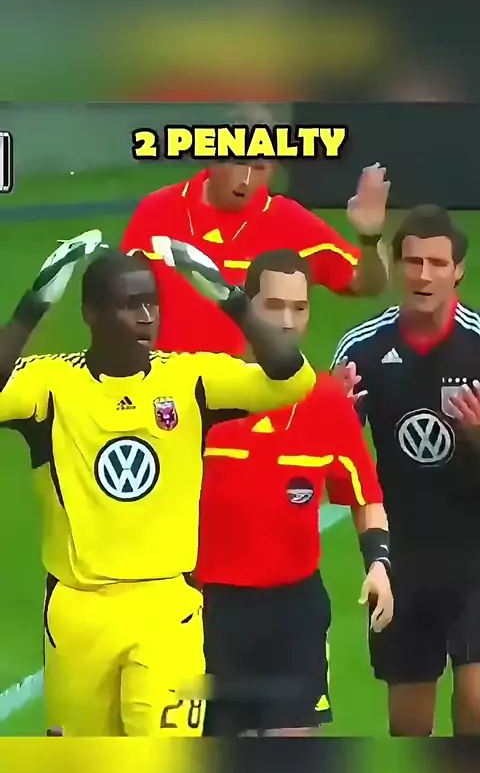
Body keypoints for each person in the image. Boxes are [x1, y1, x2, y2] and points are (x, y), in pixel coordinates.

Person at [0, 233, 316, 737]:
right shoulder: (49, 385)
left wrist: (228, 297)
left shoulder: (190, 380)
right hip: (78, 613)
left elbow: (294, 378)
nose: (147, 316)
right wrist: (32, 307)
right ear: (91, 314)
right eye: (130, 305)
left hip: (167, 609)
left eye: (152, 302)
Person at [190, 248, 393, 737]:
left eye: (299, 308)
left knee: (294, 761)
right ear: (246, 307)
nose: (286, 320)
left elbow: (365, 495)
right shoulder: (203, 391)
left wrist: (379, 565)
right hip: (211, 612)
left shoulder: (325, 402)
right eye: (274, 306)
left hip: (294, 614)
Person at [330, 204, 480, 736]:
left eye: (437, 263)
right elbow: (335, 463)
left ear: (458, 271)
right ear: (396, 268)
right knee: (409, 724)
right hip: (402, 556)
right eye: (413, 261)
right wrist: (333, 420)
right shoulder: (362, 349)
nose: (424, 275)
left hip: (473, 552)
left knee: (477, 700)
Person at [121, 105, 390, 354]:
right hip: (170, 385)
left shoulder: (292, 222)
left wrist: (370, 236)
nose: (246, 179)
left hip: (253, 386)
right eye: (238, 162)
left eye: (259, 167)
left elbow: (369, 285)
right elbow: (120, 301)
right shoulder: (157, 211)